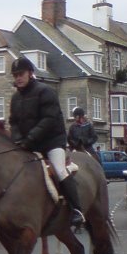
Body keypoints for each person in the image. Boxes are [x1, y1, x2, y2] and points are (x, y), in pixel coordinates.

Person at [9, 56, 84, 229]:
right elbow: (13, 122)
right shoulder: (15, 98)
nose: (18, 78)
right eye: (15, 75)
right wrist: (17, 139)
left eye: (21, 74)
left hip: (51, 142)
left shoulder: (45, 91)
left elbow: (48, 120)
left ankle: (77, 210)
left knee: (58, 170)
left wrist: (29, 139)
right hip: (29, 144)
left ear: (30, 73)